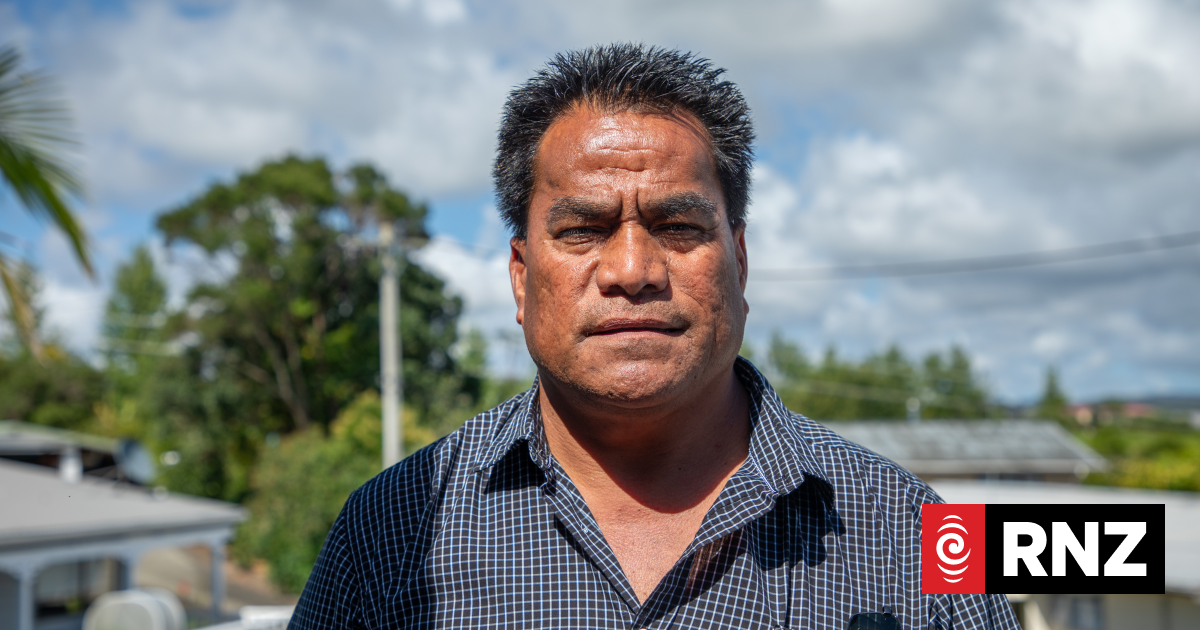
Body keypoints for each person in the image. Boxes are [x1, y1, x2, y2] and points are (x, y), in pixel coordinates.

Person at [289, 44, 1019, 630]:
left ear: (740, 259)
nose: (632, 271)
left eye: (677, 227)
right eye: (581, 230)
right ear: (520, 277)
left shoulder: (914, 535)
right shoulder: (387, 536)